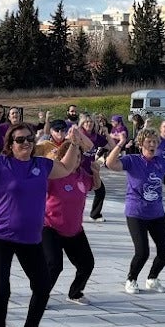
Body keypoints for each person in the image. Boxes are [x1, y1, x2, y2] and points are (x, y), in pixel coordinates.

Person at [0, 123, 80, 327]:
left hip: (30, 238)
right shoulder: (0, 164)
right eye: (19, 140)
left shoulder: (42, 165)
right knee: (1, 288)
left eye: (29, 139)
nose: (25, 143)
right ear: (10, 144)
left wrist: (75, 143)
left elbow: (66, 168)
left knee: (42, 285)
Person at [103, 129, 165, 295]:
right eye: (149, 142)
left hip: (157, 213)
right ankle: (131, 279)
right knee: (142, 252)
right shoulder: (132, 160)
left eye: (155, 142)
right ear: (141, 144)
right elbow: (110, 164)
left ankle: (152, 278)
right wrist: (120, 144)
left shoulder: (160, 161)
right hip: (136, 212)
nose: (153, 145)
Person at [40, 120, 99, 305]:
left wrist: (96, 172)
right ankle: (41, 297)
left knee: (87, 263)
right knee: (54, 265)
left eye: (79, 158)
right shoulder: (53, 175)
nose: (77, 160)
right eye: (74, 157)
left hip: (74, 230)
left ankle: (75, 293)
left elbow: (94, 186)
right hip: (50, 227)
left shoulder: (81, 175)